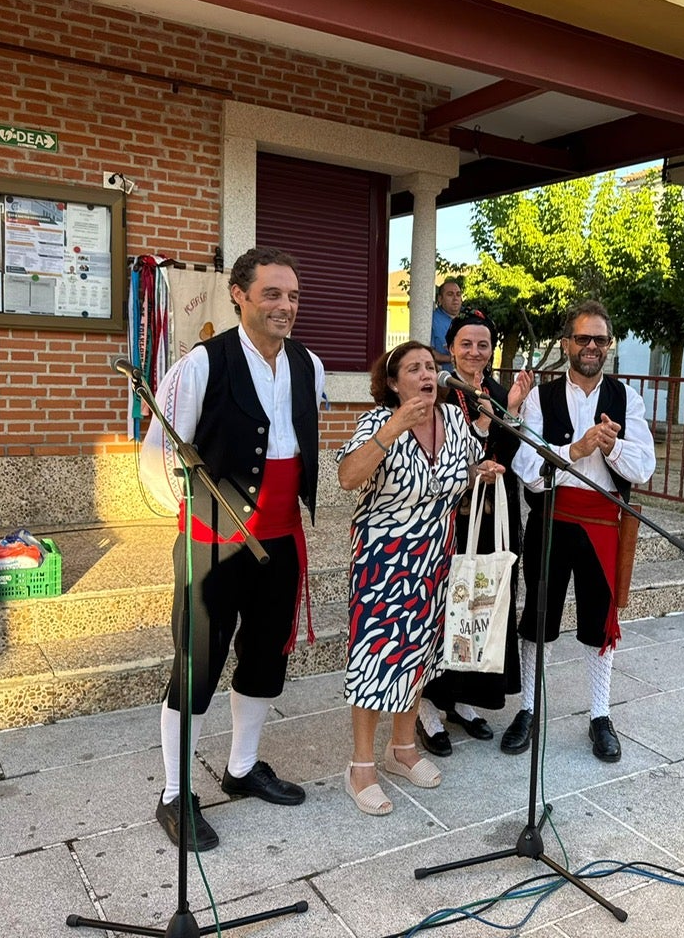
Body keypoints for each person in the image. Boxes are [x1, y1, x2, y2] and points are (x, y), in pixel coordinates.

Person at [139, 247, 324, 851]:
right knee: (196, 667)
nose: (285, 306)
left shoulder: (309, 364)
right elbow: (159, 454)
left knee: (266, 658)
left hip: (280, 539)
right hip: (212, 544)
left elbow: (290, 446)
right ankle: (174, 793)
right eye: (272, 293)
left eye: (293, 295)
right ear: (238, 295)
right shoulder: (200, 364)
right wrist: (194, 512)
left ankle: (242, 769)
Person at [335, 340, 497, 815]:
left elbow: (458, 476)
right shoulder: (377, 423)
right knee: (375, 658)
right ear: (392, 381)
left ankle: (403, 748)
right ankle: (360, 765)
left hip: (434, 561)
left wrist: (479, 472)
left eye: (431, 366)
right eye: (414, 368)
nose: (427, 374)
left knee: (420, 658)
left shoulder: (456, 425)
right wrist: (393, 429)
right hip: (383, 562)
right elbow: (347, 477)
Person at [502, 300, 656, 763]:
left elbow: (644, 467)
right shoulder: (539, 398)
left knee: (598, 622)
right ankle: (528, 708)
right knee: (539, 617)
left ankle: (600, 714)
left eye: (600, 340)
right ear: (567, 343)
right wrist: (575, 447)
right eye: (583, 338)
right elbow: (527, 466)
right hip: (553, 520)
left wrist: (611, 449)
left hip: (604, 521)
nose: (591, 347)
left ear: (608, 346)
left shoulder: (626, 398)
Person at [417, 309, 534, 756]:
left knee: (482, 603)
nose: (474, 352)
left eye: (483, 344)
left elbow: (514, 448)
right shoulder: (437, 391)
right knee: (443, 609)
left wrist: (516, 409)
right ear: (451, 347)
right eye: (466, 343)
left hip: (494, 516)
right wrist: (479, 440)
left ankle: (463, 701)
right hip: (448, 516)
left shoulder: (500, 393)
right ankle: (427, 704)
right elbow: (437, 451)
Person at [430, 278, 463, 366]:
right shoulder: (432, 320)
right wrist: (451, 359)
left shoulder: (468, 319)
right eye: (450, 294)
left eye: (458, 294)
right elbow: (427, 351)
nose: (455, 298)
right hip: (442, 376)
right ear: (440, 299)